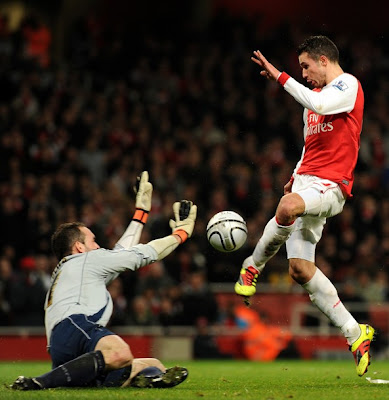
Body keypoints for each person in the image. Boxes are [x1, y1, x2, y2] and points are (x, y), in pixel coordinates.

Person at [234, 36, 374, 377]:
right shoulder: (312, 103)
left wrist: (281, 76)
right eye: (300, 69)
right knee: (299, 269)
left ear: (323, 60)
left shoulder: (347, 85)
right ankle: (355, 332)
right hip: (305, 181)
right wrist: (294, 176)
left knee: (286, 208)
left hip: (332, 186)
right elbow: (309, 145)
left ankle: (251, 266)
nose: (304, 73)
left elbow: (320, 104)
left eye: (306, 66)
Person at [11, 171, 197, 390]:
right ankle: (39, 382)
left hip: (63, 343)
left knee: (153, 364)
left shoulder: (75, 271)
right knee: (120, 352)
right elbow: (142, 254)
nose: (98, 246)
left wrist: (141, 214)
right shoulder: (86, 261)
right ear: (79, 247)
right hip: (75, 326)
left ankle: (132, 380)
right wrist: (180, 235)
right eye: (93, 240)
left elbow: (120, 252)